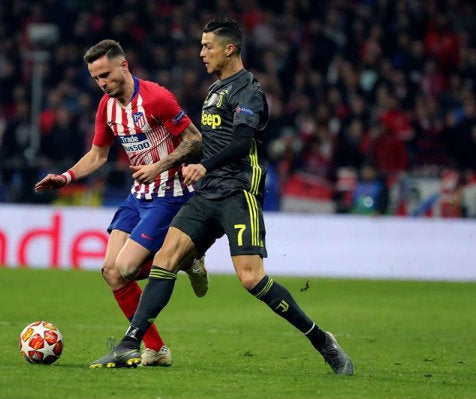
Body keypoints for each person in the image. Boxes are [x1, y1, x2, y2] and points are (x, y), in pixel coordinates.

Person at [90, 18, 354, 375]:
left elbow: (241, 142)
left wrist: (203, 165)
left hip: (237, 192)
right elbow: (204, 141)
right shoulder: (214, 92)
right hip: (206, 193)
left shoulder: (249, 91)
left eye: (207, 46)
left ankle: (324, 342)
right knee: (166, 259)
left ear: (230, 49)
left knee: (251, 279)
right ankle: (130, 343)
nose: (201, 53)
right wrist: (182, 161)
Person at [34, 39, 209, 367]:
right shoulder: (107, 106)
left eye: (105, 75)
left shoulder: (156, 98)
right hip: (138, 197)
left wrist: (158, 167)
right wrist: (67, 177)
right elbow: (98, 154)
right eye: (95, 78)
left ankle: (184, 256)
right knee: (111, 272)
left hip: (169, 196)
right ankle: (156, 350)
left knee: (127, 268)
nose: (102, 83)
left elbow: (195, 139)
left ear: (124, 66)